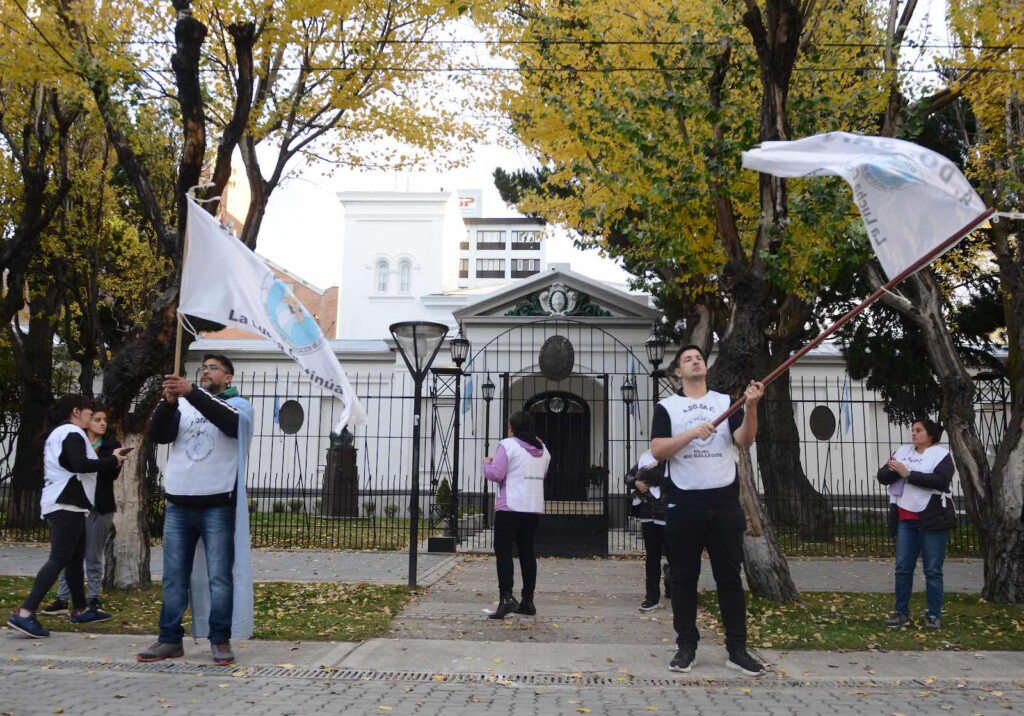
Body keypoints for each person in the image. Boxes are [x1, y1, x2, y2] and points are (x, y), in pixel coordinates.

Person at [650, 345, 766, 677]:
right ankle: (686, 646)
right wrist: (690, 433)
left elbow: (744, 440)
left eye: (698, 357)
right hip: (684, 502)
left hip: (724, 503)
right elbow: (658, 449)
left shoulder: (725, 402)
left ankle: (737, 650)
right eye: (687, 359)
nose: (695, 360)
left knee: (729, 578)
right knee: (684, 578)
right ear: (678, 372)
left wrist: (753, 407)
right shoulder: (668, 407)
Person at [136, 354, 254, 666]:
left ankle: (220, 638)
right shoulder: (185, 404)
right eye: (204, 368)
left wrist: (192, 393)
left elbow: (229, 424)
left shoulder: (239, 406)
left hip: (216, 504)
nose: (206, 372)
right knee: (174, 576)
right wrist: (169, 402)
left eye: (213, 368)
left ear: (228, 377)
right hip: (178, 504)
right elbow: (160, 435)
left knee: (219, 577)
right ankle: (170, 638)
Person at [7, 395, 129, 638]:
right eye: (87, 411)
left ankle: (81, 609)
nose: (89, 416)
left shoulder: (61, 433)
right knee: (60, 558)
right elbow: (80, 464)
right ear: (76, 411)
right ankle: (25, 613)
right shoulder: (71, 433)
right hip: (66, 503)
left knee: (74, 559)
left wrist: (108, 461)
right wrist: (112, 460)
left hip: (71, 502)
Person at [41, 403, 122, 618]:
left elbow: (109, 474)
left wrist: (112, 460)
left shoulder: (111, 445)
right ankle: (61, 600)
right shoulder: (72, 438)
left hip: (98, 506)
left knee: (89, 555)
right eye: (96, 419)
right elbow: (78, 464)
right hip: (72, 504)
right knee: (64, 555)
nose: (102, 423)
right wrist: (98, 460)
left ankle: (90, 601)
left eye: (105, 420)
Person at [876, 418, 955, 629]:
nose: (914, 433)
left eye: (919, 430)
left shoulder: (941, 455)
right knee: (903, 568)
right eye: (912, 430)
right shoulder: (903, 452)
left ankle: (933, 615)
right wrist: (893, 469)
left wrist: (908, 474)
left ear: (931, 435)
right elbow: (882, 476)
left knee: (932, 570)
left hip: (931, 520)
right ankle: (901, 613)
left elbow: (940, 481)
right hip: (905, 519)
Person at [482, 410, 551, 619]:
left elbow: (496, 474)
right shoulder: (544, 450)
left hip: (509, 506)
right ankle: (527, 600)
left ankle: (506, 598)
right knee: (527, 553)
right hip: (533, 506)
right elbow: (542, 474)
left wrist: (486, 463)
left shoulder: (508, 445)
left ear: (511, 428)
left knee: (503, 552)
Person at [625, 450, 670, 611]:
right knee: (652, 558)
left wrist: (659, 464)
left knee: (674, 556)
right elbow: (629, 476)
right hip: (647, 515)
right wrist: (636, 483)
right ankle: (652, 597)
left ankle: (673, 584)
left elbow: (669, 479)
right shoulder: (644, 457)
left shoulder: (672, 457)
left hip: (666, 515)